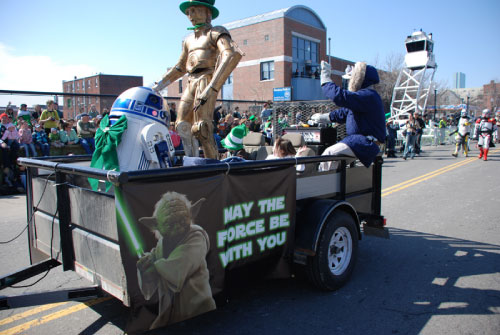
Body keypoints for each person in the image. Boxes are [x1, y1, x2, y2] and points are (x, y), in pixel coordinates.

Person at [152, 0, 243, 159]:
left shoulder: (216, 32)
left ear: (208, 12)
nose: (190, 15)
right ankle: (192, 162)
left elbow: (231, 55)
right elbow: (180, 67)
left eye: (194, 10)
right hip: (191, 81)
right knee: (182, 125)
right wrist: (157, 86)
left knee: (202, 127)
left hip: (207, 79)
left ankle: (213, 166)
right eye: (188, 12)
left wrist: (212, 87)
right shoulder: (188, 40)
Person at [136, 191, 215, 329]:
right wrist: (145, 268)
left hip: (198, 309)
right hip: (170, 315)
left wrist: (154, 265)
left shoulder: (197, 236)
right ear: (157, 225)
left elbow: (181, 266)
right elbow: (151, 281)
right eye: (170, 224)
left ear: (190, 216)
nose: (178, 227)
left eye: (182, 219)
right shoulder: (162, 244)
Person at [316, 61, 386, 170]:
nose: (349, 81)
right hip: (360, 142)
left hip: (364, 143)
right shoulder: (364, 97)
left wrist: (325, 79)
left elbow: (339, 96)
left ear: (360, 78)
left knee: (329, 154)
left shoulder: (369, 96)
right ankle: (334, 184)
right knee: (335, 162)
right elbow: (344, 113)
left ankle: (324, 186)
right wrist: (323, 117)